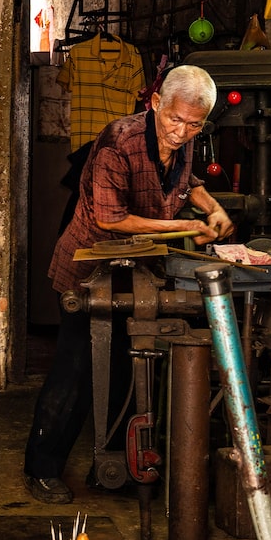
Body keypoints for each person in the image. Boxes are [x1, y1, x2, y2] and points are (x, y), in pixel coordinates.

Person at [24, 64, 233, 504]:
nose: (181, 132)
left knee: (127, 369)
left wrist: (211, 206)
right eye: (175, 120)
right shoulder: (119, 142)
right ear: (155, 103)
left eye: (194, 124)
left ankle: (112, 467)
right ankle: (41, 468)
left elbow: (187, 181)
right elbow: (110, 218)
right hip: (87, 273)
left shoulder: (185, 139)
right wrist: (182, 227)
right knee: (75, 372)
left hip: (137, 273)